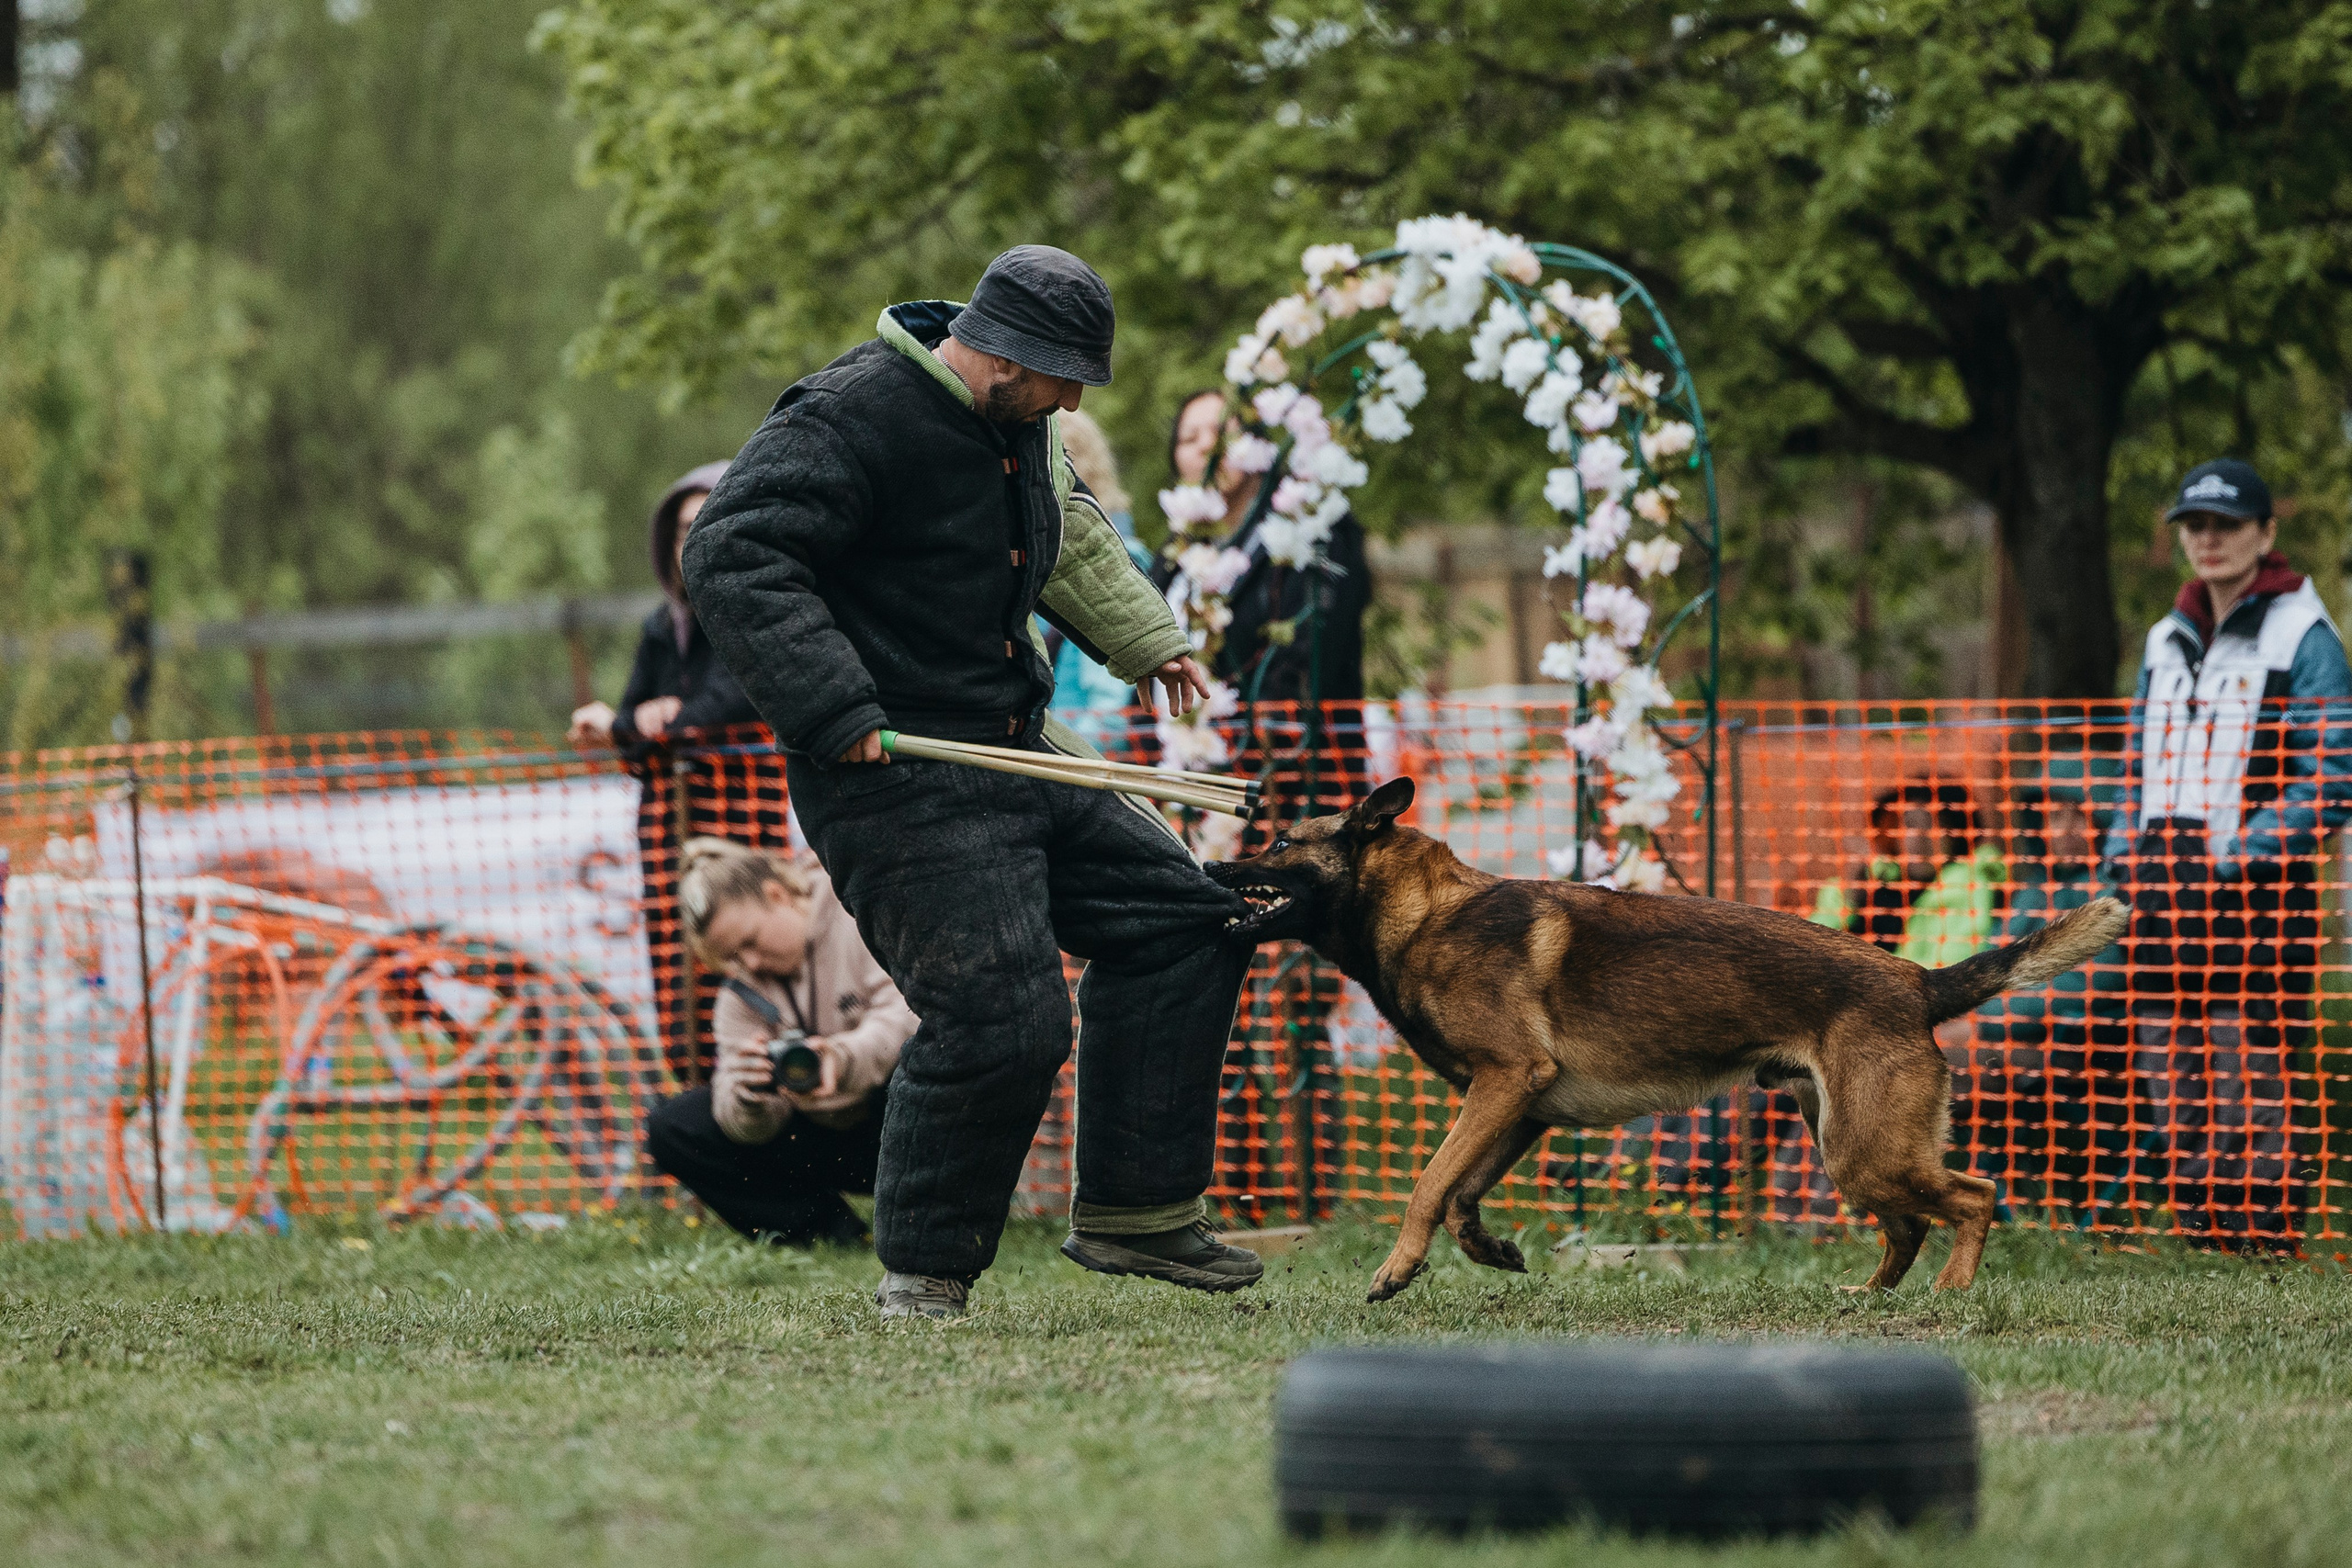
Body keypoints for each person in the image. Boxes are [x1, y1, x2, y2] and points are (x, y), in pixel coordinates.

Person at [682, 244, 1262, 1320]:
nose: (1072, 403)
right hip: (895, 771)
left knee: (1187, 923)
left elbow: (1068, 529)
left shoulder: (1017, 425)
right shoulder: (846, 414)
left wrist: (1150, 641)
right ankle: (924, 1274)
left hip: (1016, 743)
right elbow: (733, 550)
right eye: (1061, 380)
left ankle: (1138, 1214)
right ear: (1000, 358)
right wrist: (834, 706)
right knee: (1003, 1018)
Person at [2101, 457, 2352, 1251]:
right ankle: (2199, 1229)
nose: (2208, 539)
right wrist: (2122, 859)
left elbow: (2335, 773)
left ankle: (2262, 1233)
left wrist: (2242, 850)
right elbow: (2134, 765)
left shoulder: (2305, 636)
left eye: (2227, 524)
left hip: (2256, 891)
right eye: (2195, 525)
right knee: (2166, 1058)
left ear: (2266, 533)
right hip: (2158, 886)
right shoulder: (2163, 637)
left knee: (2250, 1062)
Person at [569, 464, 770, 1084]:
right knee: (678, 965)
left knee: (751, 953)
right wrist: (642, 726)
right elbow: (634, 741)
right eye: (683, 528)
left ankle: (764, 1093)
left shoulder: (756, 609)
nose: (693, 538)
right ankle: (694, 1094)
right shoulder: (660, 627)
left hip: (743, 828)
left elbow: (729, 704)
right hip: (669, 836)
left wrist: (648, 723)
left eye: (705, 522)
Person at [643, 839, 915, 1246]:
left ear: (777, 895)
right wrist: (749, 1095)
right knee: (673, 1127)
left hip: (904, 1125)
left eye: (749, 941)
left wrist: (841, 1058)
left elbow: (906, 1015)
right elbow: (739, 1122)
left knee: (924, 1058)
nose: (749, 964)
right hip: (823, 1144)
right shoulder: (739, 998)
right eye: (733, 957)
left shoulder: (856, 914)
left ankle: (943, 1205)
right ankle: (828, 1234)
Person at [1158, 389, 1374, 849]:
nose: (1206, 446)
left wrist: (1256, 744)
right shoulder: (1176, 555)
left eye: (1221, 432)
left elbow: (1306, 661)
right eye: (1189, 438)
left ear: (1258, 443)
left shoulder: (1311, 530)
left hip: (1293, 789)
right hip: (1185, 780)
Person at [1959, 787, 2130, 1199]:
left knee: (1911, 1074)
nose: (2065, 831)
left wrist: (1984, 1016)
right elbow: (1984, 967)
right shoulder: (2034, 893)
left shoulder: (2116, 893)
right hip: (2009, 1041)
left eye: (2078, 817)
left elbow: (2089, 985)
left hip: (2078, 1053)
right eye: (2055, 818)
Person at [1039, 409, 1150, 749]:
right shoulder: (1035, 562)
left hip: (1077, 759)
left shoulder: (1114, 563)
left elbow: (1108, 708)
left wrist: (1061, 760)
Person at [1810, 779, 2006, 967]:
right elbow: (1809, 954)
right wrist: (1848, 900)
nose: (1918, 837)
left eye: (1934, 826)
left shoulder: (1966, 887)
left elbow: (1948, 974)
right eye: (1910, 823)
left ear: (1958, 838)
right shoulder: (1865, 882)